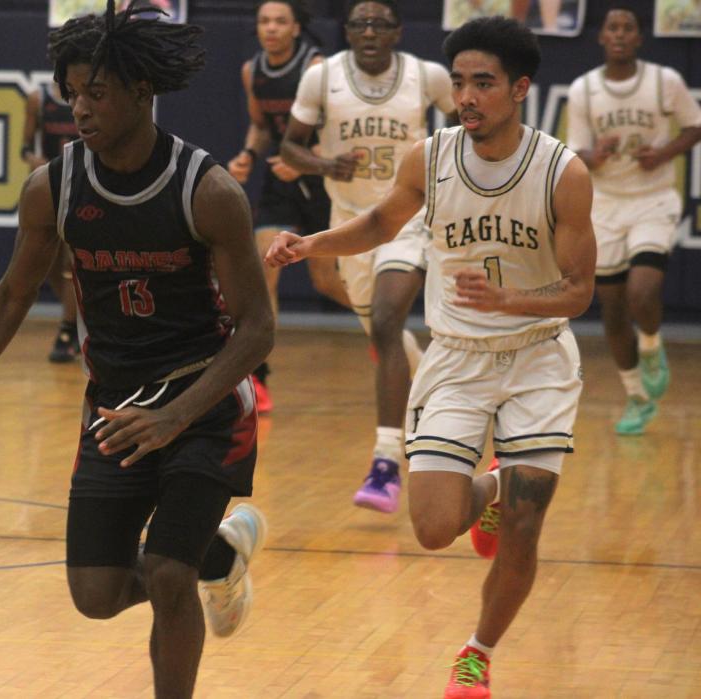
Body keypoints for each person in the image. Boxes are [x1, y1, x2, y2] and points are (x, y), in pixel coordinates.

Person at [0, 3, 274, 698]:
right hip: (115, 406)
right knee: (95, 593)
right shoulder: (53, 187)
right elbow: (8, 299)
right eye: (72, 94)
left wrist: (177, 415)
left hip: (204, 405)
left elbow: (257, 330)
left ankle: (192, 576)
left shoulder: (207, 191)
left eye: (98, 93)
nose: (80, 109)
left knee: (169, 576)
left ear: (142, 93)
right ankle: (220, 550)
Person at [267, 16, 595, 697]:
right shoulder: (430, 157)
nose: (468, 96)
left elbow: (579, 292)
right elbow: (381, 224)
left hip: (536, 357)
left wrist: (511, 302)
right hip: (455, 358)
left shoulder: (563, 173)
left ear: (521, 88)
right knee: (436, 527)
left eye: (485, 83)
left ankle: (476, 652)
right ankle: (494, 485)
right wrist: (310, 245)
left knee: (528, 524)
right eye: (462, 83)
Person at [280, 0, 455, 513]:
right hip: (350, 224)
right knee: (384, 333)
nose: (370, 31)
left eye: (380, 23)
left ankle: (385, 465)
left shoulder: (429, 76)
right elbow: (290, 147)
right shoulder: (321, 78)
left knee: (385, 320)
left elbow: (468, 127)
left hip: (407, 219)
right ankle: (443, 403)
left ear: (398, 31)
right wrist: (325, 163)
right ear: (348, 32)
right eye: (360, 23)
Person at [567, 6, 701, 435]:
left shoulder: (665, 80)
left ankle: (650, 346)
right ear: (602, 37)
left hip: (653, 199)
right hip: (605, 204)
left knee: (643, 290)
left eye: (628, 28)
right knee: (612, 306)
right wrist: (596, 155)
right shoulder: (584, 89)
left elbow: (694, 125)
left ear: (639, 38)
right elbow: (577, 151)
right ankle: (636, 396)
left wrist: (664, 153)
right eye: (613, 28)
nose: (620, 34)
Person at [228, 0, 349, 412]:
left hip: (322, 181)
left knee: (327, 283)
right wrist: (248, 152)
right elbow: (262, 125)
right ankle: (258, 380)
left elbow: (340, 128)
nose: (271, 28)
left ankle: (384, 328)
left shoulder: (317, 68)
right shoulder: (253, 71)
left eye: (280, 21)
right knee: (266, 271)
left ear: (296, 28)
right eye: (264, 21)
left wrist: (305, 162)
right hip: (279, 184)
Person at [22, 81, 82, 362]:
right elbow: (24, 147)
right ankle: (79, 318)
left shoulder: (87, 98)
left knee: (72, 263)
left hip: (83, 186)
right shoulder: (38, 99)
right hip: (52, 186)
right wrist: (34, 160)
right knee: (48, 263)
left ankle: (67, 331)